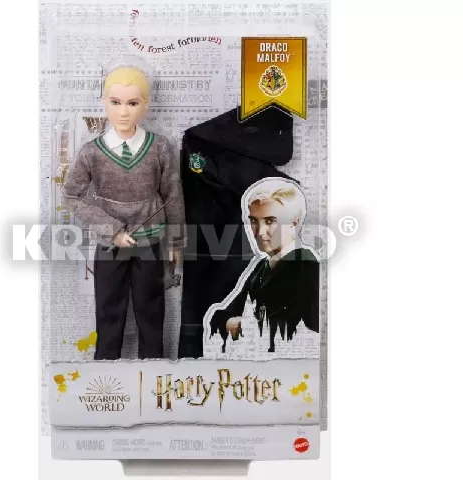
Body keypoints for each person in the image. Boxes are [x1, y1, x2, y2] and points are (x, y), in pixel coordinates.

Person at [61, 65, 185, 360]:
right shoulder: (92, 152)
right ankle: (104, 371)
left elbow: (173, 194)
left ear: (146, 104)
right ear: (104, 102)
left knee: (151, 312)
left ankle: (153, 371)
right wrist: (111, 229)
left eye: (132, 103)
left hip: (150, 243)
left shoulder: (159, 147)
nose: (124, 112)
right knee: (108, 311)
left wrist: (176, 240)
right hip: (109, 246)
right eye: (115, 102)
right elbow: (71, 196)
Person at [208, 178, 319, 353]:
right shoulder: (260, 267)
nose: (259, 232)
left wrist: (243, 324)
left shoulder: (309, 269)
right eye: (253, 220)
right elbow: (223, 315)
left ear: (295, 222)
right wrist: (232, 321)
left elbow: (311, 330)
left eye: (270, 221)